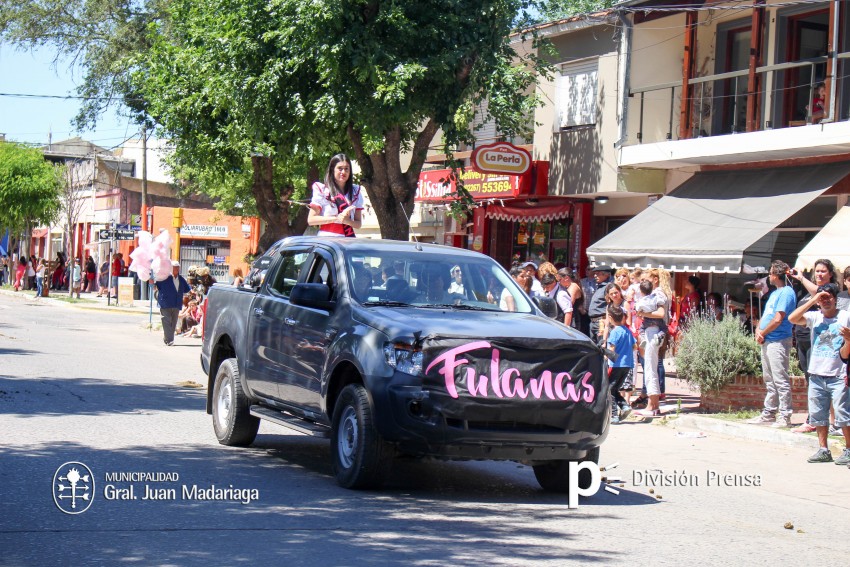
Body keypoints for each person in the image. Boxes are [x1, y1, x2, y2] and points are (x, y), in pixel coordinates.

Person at [788, 283, 850, 464]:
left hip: (839, 374)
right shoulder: (815, 317)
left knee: (843, 414)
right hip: (816, 374)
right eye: (822, 297)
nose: (826, 300)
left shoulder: (845, 316)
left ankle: (848, 450)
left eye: (829, 297)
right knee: (818, 415)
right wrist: (814, 299)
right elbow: (792, 318)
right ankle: (823, 450)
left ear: (836, 299)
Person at [748, 260, 797, 428]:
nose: (768, 276)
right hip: (768, 339)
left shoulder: (786, 292)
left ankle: (785, 415)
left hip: (778, 340)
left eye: (770, 273)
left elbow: (778, 319)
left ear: (776, 275)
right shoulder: (775, 293)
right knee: (769, 378)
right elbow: (767, 314)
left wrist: (764, 331)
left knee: (780, 378)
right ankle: (769, 412)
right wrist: (758, 330)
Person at [633, 268, 672, 417]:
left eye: (647, 279)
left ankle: (652, 405)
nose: (644, 282)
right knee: (650, 366)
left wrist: (643, 313)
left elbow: (661, 314)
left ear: (655, 279)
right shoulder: (656, 294)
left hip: (654, 331)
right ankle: (652, 404)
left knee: (650, 366)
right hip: (652, 331)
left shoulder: (658, 294)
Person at [307, 153, 364, 237]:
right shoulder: (323, 190)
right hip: (327, 239)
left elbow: (358, 224)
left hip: (347, 240)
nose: (343, 172)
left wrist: (347, 221)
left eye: (346, 169)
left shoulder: (355, 191)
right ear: (332, 169)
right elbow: (311, 220)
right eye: (340, 169)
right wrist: (337, 218)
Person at [151, 261, 192, 346]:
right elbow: (155, 286)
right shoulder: (164, 278)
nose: (177, 269)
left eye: (178, 267)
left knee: (173, 323)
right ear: (170, 268)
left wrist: (193, 292)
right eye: (175, 267)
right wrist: (151, 281)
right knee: (166, 321)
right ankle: (170, 340)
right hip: (165, 303)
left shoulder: (181, 279)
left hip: (176, 303)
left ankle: (168, 339)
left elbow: (187, 289)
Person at [607, 305, 636, 424]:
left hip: (616, 365)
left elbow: (612, 349)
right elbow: (634, 347)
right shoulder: (627, 331)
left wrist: (605, 358)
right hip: (627, 365)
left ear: (610, 317)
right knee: (614, 389)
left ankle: (614, 415)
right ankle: (624, 405)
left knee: (609, 390)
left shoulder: (614, 332)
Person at [587, 265, 614, 345]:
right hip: (593, 322)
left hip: (601, 322)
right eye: (595, 273)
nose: (595, 276)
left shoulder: (608, 287)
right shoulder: (599, 287)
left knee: (602, 345)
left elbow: (611, 305)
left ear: (606, 275)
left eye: (598, 274)